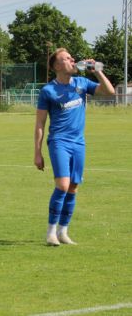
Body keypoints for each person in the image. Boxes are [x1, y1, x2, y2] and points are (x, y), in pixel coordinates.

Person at [34, 48, 115, 246]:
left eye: (71, 58)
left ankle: (63, 231)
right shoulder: (48, 91)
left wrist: (96, 70)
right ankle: (51, 232)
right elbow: (40, 123)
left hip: (79, 143)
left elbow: (110, 92)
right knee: (62, 185)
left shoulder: (82, 83)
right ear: (57, 66)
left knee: (73, 188)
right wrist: (37, 152)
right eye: (66, 59)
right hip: (59, 142)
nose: (72, 60)